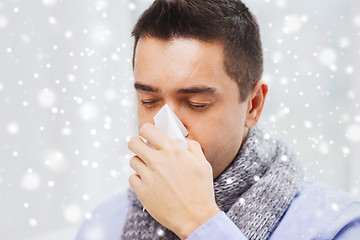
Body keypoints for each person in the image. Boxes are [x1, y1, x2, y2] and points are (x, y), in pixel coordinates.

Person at [75, 0, 360, 239]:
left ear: (254, 105)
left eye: (196, 103)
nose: (167, 127)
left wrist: (199, 222)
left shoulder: (334, 226)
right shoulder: (102, 225)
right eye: (148, 101)